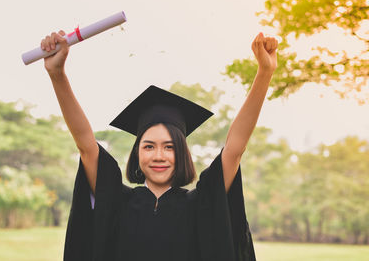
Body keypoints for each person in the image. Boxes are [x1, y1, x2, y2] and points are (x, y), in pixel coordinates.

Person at [41, 30, 278, 261]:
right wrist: (57, 74)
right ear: (137, 153)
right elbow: (85, 144)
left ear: (182, 153)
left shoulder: (199, 204)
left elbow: (235, 148)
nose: (159, 155)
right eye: (148, 146)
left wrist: (265, 73)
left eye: (169, 147)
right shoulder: (117, 201)